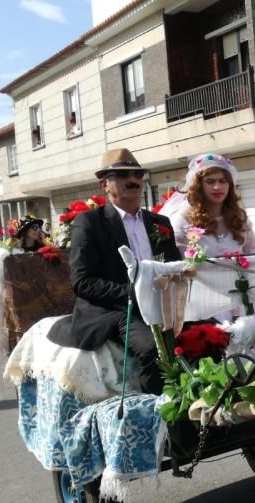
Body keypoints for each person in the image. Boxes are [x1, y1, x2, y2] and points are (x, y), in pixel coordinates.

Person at [47, 148, 181, 394]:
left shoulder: (160, 224)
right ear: (104, 185)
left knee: (207, 334)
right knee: (153, 347)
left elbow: (175, 268)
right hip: (116, 310)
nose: (133, 180)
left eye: (137, 174)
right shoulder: (90, 222)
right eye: (121, 175)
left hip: (163, 306)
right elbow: (83, 282)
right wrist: (135, 294)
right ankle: (160, 415)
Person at [161, 153, 255, 256]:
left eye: (223, 181)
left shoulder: (238, 218)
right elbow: (176, 261)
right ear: (199, 186)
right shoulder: (185, 219)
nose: (217, 187)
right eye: (210, 182)